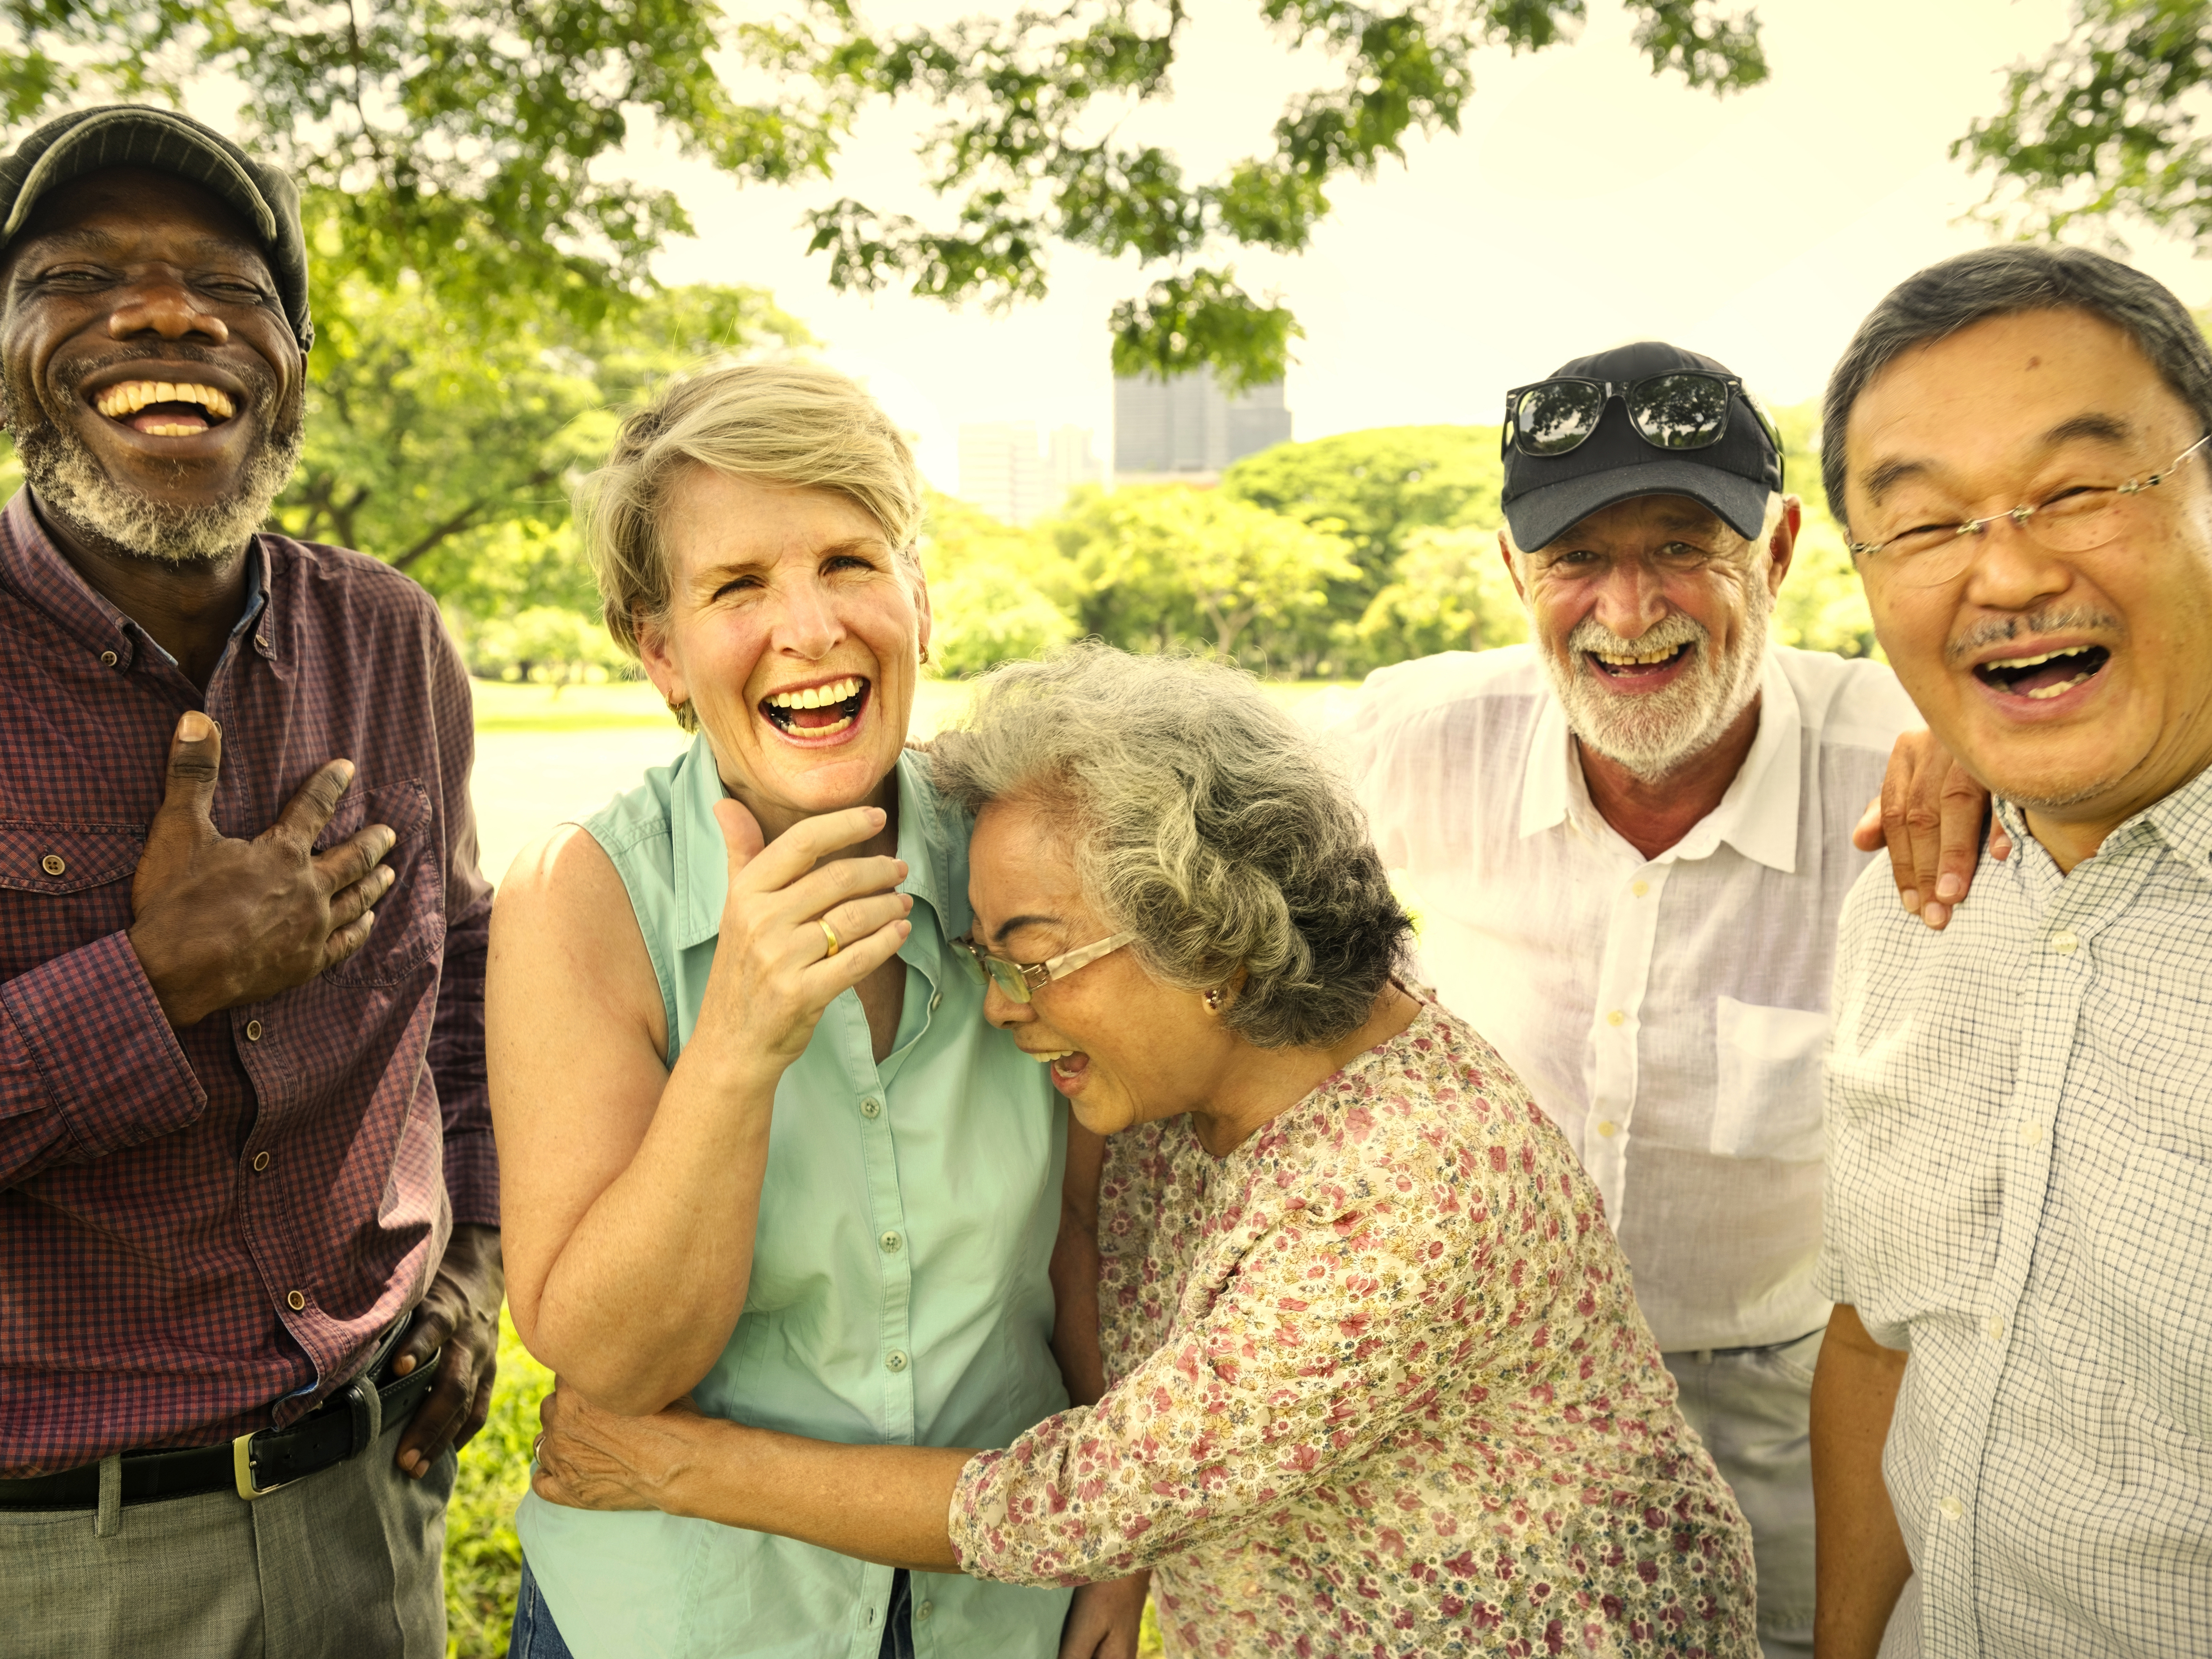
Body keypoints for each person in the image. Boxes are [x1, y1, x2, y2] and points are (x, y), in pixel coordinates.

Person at [527, 644, 1761, 1659]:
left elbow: (1071, 1499)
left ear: (1209, 939)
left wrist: (673, 1466)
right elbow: (1100, 1278)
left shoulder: (1409, 1188)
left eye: (1032, 956)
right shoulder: (1201, 1086)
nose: (1001, 1007)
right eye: (985, 959)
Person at [1334, 340, 1991, 1659]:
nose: (1628, 610)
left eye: (1683, 547)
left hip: (1785, 1417)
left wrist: (1988, 746)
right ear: (1514, 570)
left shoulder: (1916, 768)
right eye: (1577, 557)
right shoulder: (1407, 742)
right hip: (1472, 1399)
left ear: (1780, 549)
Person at [488, 362, 1094, 1659]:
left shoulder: (1029, 852)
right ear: (660, 651)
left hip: (998, 1606)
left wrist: (1118, 1549)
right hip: (688, 1618)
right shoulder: (578, 898)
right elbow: (615, 1368)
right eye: (738, 587)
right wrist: (737, 1045)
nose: (810, 630)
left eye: (848, 563)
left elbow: (1091, 1244)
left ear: (920, 602)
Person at [0, 106, 502, 1655]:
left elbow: (465, 977)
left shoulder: (390, 639)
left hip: (371, 1506)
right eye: (83, 276)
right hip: (56, 1562)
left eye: (232, 285)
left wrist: (478, 1261)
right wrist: (156, 986)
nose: (170, 313)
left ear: (291, 360)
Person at [1812, 246, 2212, 1657]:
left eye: (2082, 488)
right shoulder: (1911, 894)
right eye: (1925, 525)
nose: (2010, 570)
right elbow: (1878, 1338)